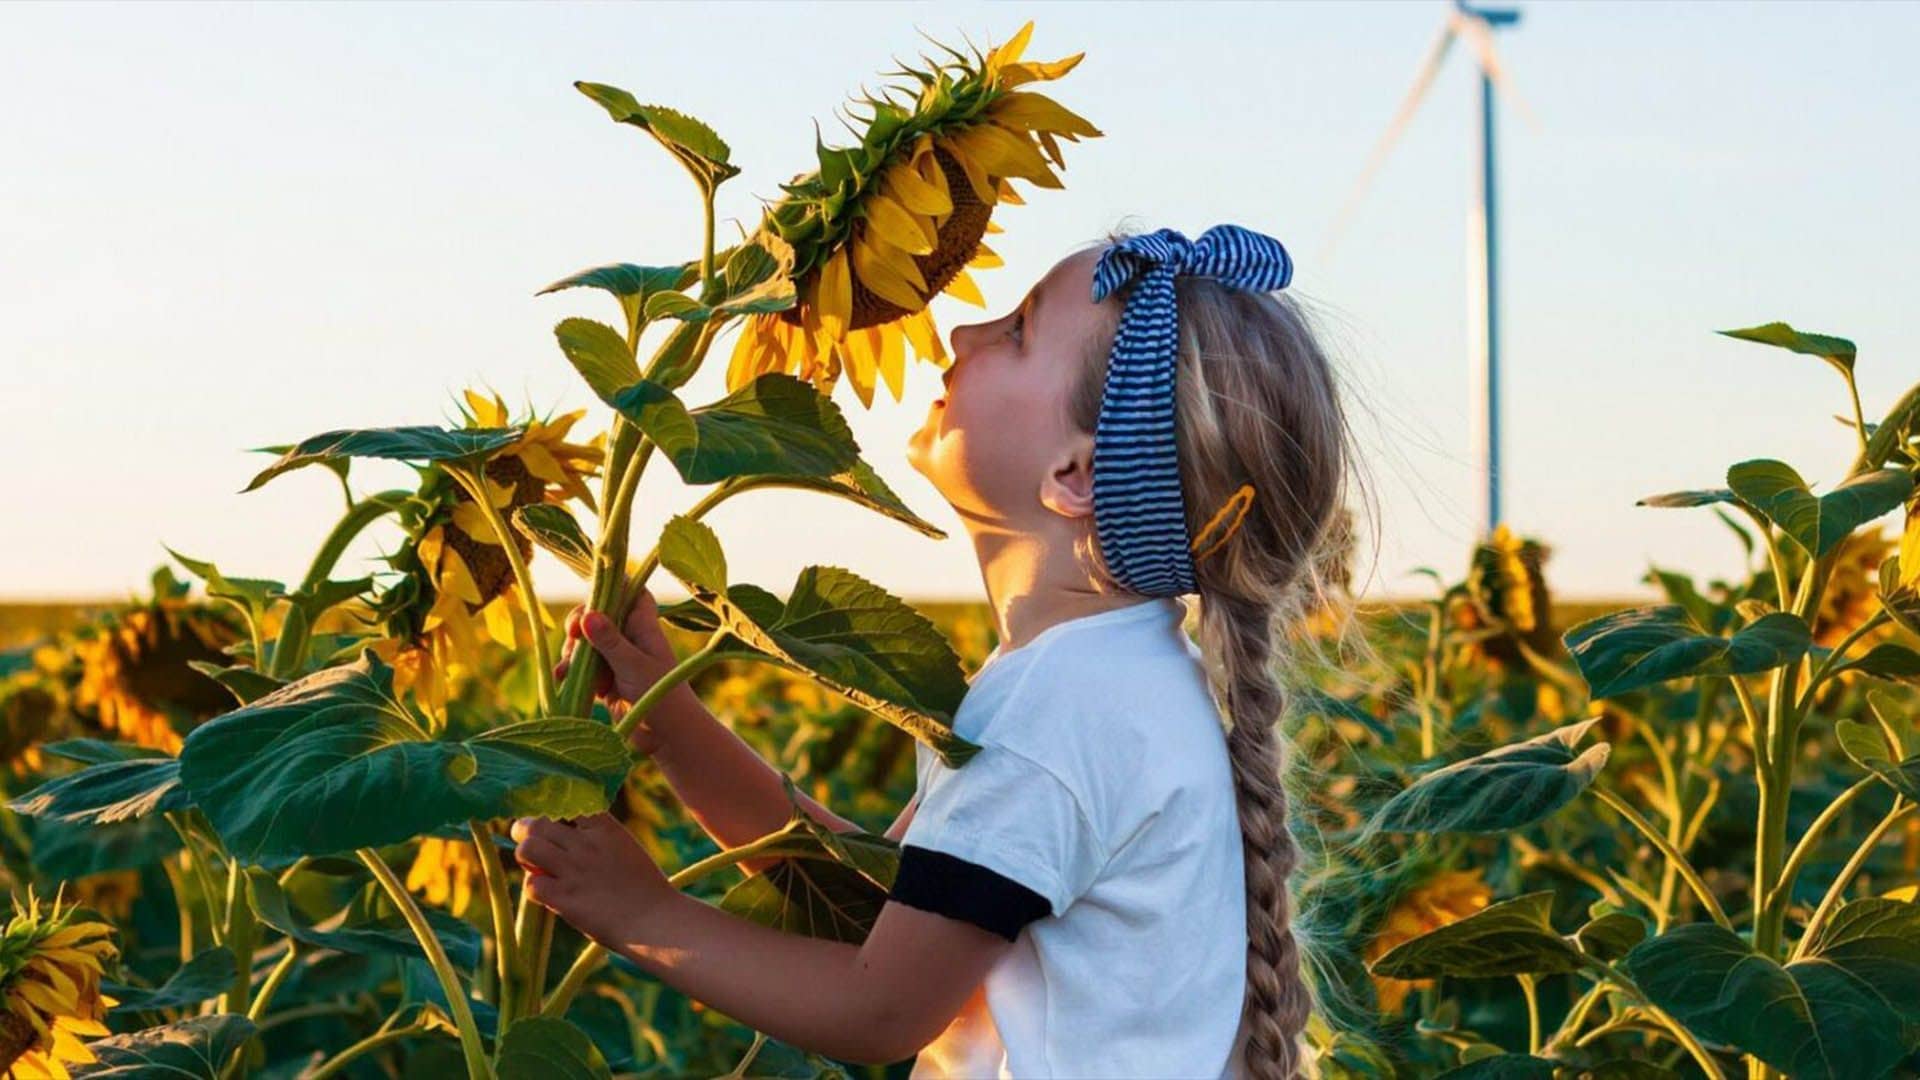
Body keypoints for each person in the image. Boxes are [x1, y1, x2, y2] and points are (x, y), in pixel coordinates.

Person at [513, 222, 1367, 1078]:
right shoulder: (1110, 677)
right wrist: (674, 719)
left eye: (1018, 331)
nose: (961, 334)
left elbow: (881, 1006)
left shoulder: (1056, 709)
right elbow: (881, 899)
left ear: (1074, 475)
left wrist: (639, 914)